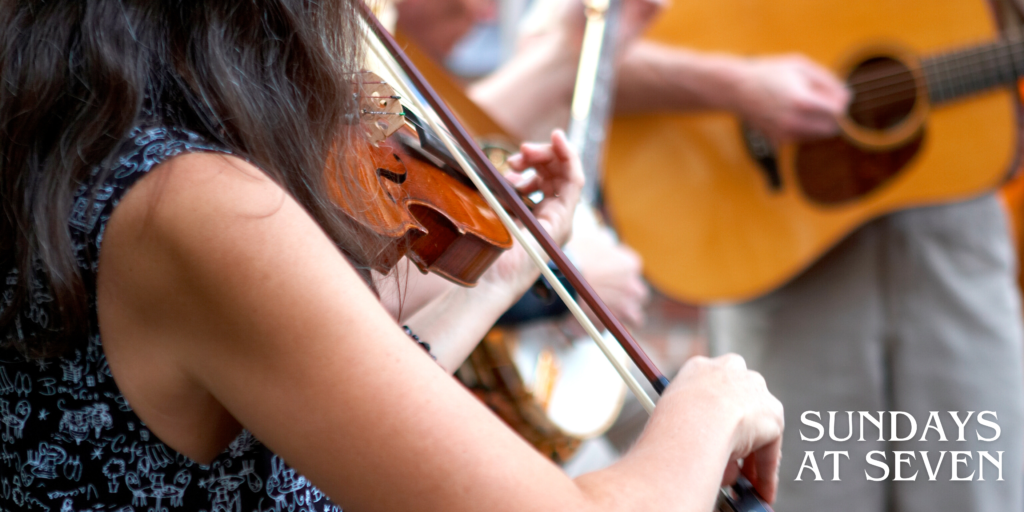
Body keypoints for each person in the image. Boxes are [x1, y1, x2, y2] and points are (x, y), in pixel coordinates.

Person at [0, 2, 784, 511]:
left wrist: (503, 272)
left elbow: (312, 442)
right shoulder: (195, 205)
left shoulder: (80, 143)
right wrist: (710, 403)